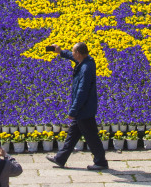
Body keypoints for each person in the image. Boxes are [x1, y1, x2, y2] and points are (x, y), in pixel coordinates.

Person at [44, 42, 108, 170]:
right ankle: (60, 158)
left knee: (91, 136)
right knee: (72, 135)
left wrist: (73, 110)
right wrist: (61, 52)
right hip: (83, 109)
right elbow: (72, 57)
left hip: (84, 109)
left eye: (73, 51)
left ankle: (100, 162)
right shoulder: (86, 61)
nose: (72, 54)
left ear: (78, 53)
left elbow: (81, 91)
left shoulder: (85, 68)